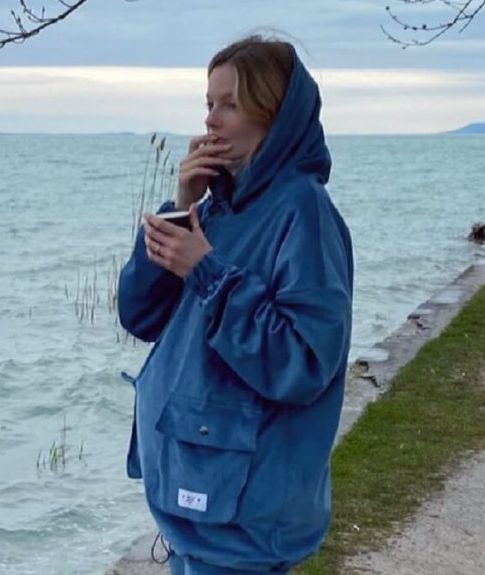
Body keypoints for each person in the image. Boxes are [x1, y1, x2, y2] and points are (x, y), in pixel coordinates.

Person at [117, 35, 354, 574]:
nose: (210, 120)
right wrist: (181, 207)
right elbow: (140, 315)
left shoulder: (303, 211)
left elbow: (303, 361)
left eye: (230, 104)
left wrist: (206, 271)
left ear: (274, 115)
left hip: (243, 512)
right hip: (198, 500)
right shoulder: (216, 211)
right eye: (208, 103)